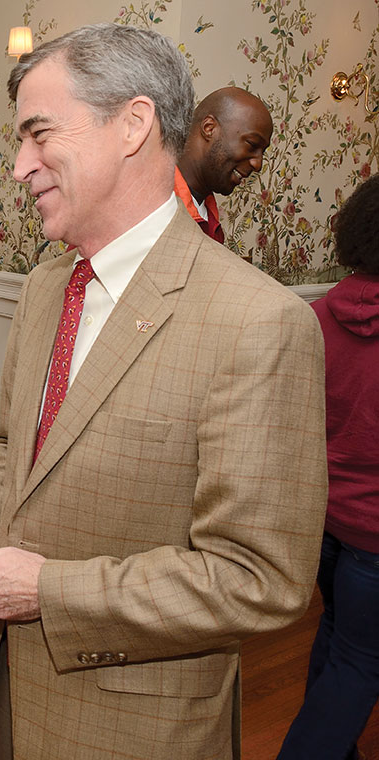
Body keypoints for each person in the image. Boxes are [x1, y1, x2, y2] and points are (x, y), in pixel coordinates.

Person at [0, 23, 328, 760]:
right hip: (16, 691)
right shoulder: (48, 287)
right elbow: (10, 450)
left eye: (38, 133)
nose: (19, 166)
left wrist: (47, 590)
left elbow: (260, 578)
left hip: (141, 729)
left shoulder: (258, 322)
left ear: (134, 124)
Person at [277, 175, 379, 760]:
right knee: (361, 664)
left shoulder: (315, 317)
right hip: (373, 535)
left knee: (341, 638)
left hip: (325, 520)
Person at [175, 86, 273, 243]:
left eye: (262, 152)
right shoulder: (151, 205)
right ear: (209, 128)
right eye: (252, 144)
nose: (258, 164)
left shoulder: (211, 223)